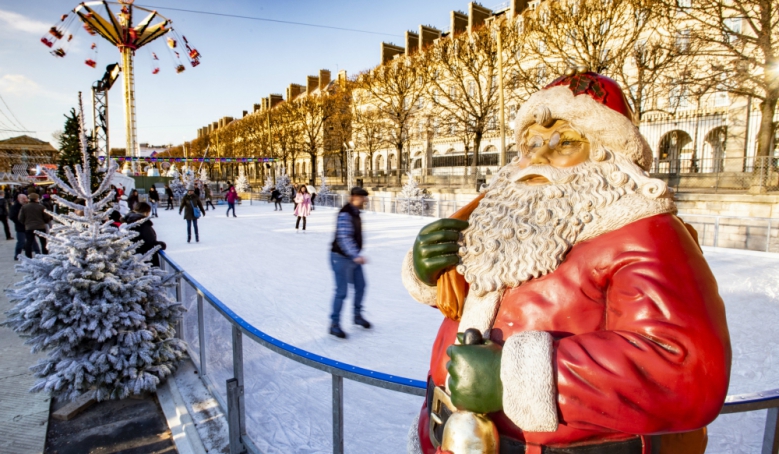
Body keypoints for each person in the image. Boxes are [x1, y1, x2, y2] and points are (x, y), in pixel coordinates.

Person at [404, 72, 730, 453]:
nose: (538, 157)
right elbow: (488, 303)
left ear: (607, 152)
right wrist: (434, 273)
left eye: (564, 143)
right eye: (532, 143)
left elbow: (683, 368)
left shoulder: (646, 234)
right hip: (445, 437)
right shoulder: (509, 216)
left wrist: (514, 376)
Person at [329, 187, 371, 339]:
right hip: (340, 257)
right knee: (342, 292)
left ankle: (357, 316)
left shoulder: (355, 212)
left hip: (352, 257)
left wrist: (356, 255)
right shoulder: (345, 213)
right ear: (354, 197)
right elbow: (344, 237)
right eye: (362, 197)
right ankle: (334, 325)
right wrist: (355, 255)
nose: (365, 200)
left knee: (361, 286)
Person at [125, 201, 166, 267]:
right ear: (146, 212)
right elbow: (149, 242)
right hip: (145, 261)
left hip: (136, 257)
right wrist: (160, 245)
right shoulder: (143, 224)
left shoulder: (130, 221)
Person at [19, 193, 51, 257]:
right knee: (43, 242)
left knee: (29, 242)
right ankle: (45, 255)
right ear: (36, 199)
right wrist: (44, 222)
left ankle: (28, 256)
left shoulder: (24, 207)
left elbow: (20, 218)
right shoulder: (41, 207)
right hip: (40, 226)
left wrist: (25, 223)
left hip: (29, 227)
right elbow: (47, 217)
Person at [10, 195, 37, 260]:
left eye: (25, 198)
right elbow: (12, 216)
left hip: (29, 226)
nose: (25, 200)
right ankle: (17, 255)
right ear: (18, 199)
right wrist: (20, 222)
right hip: (20, 228)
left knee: (33, 241)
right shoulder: (15, 207)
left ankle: (38, 253)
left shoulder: (29, 205)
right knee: (21, 242)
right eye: (23, 199)